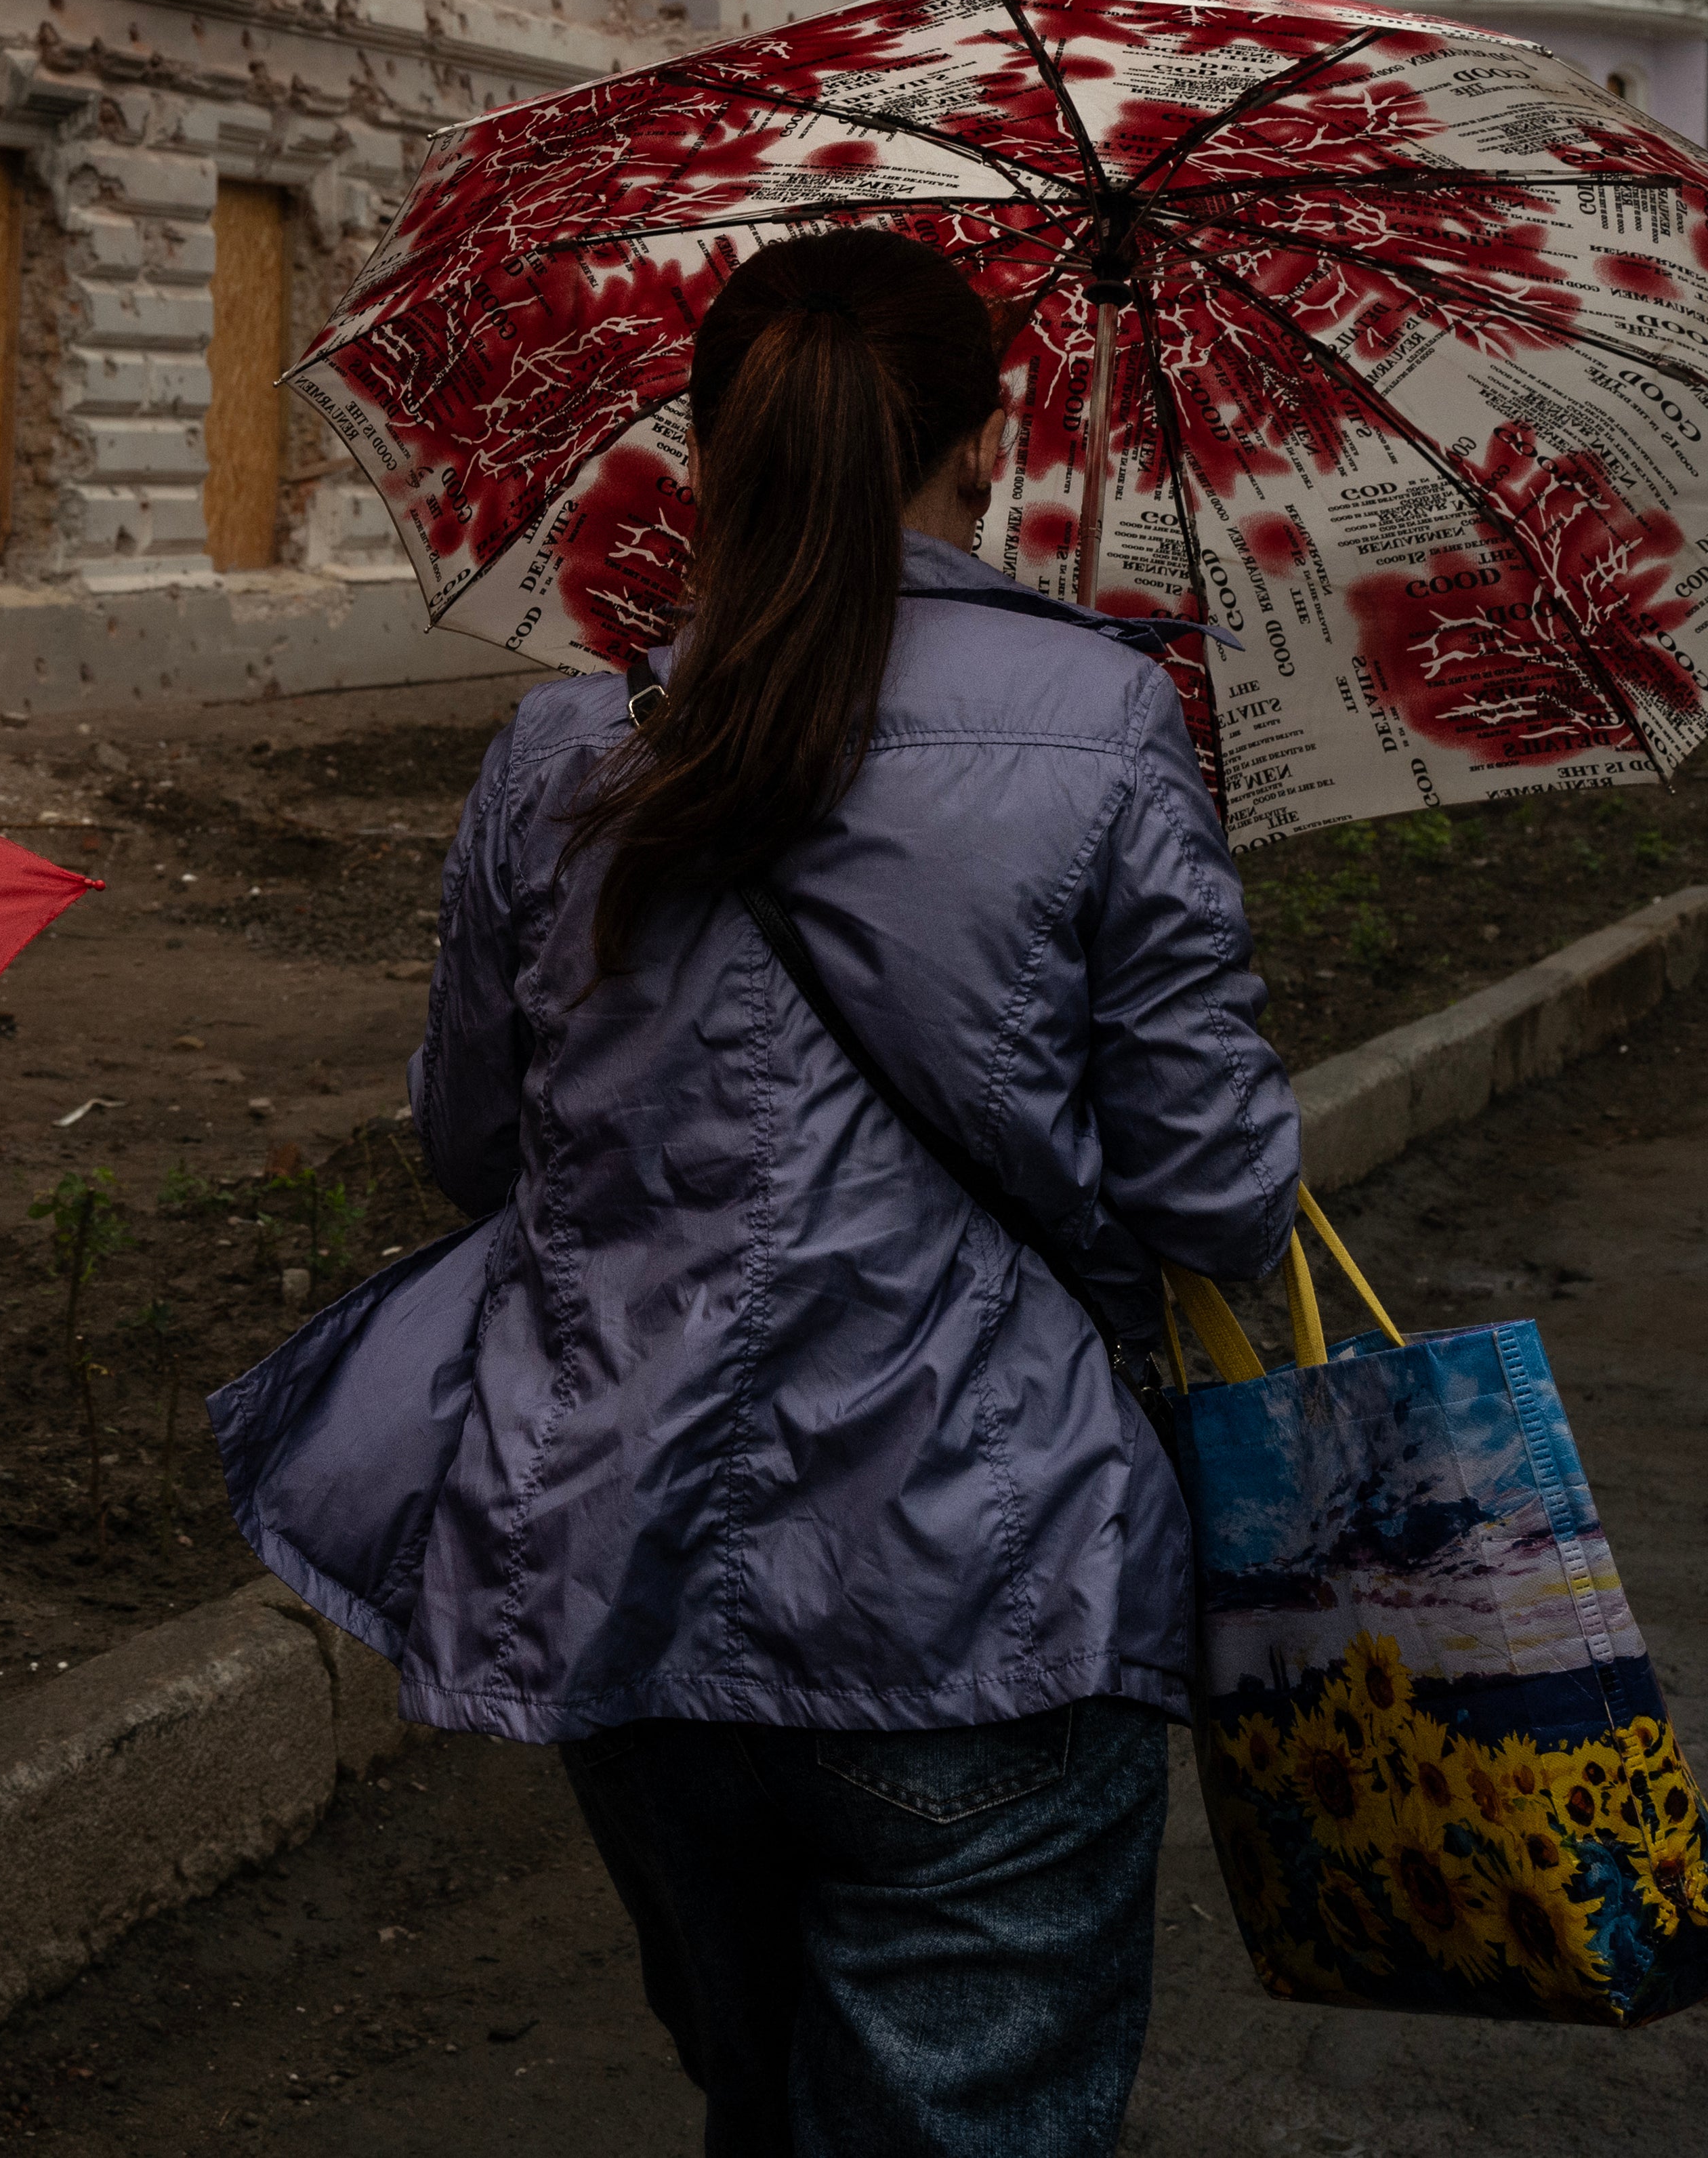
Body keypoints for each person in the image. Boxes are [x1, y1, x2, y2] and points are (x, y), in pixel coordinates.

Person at [222, 228, 1302, 2158]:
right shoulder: (1106, 727)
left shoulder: (567, 744)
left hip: (619, 1593)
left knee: (765, 2101)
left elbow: (477, 1145)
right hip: (984, 1599)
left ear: (707, 451)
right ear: (993, 442)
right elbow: (1217, 1198)